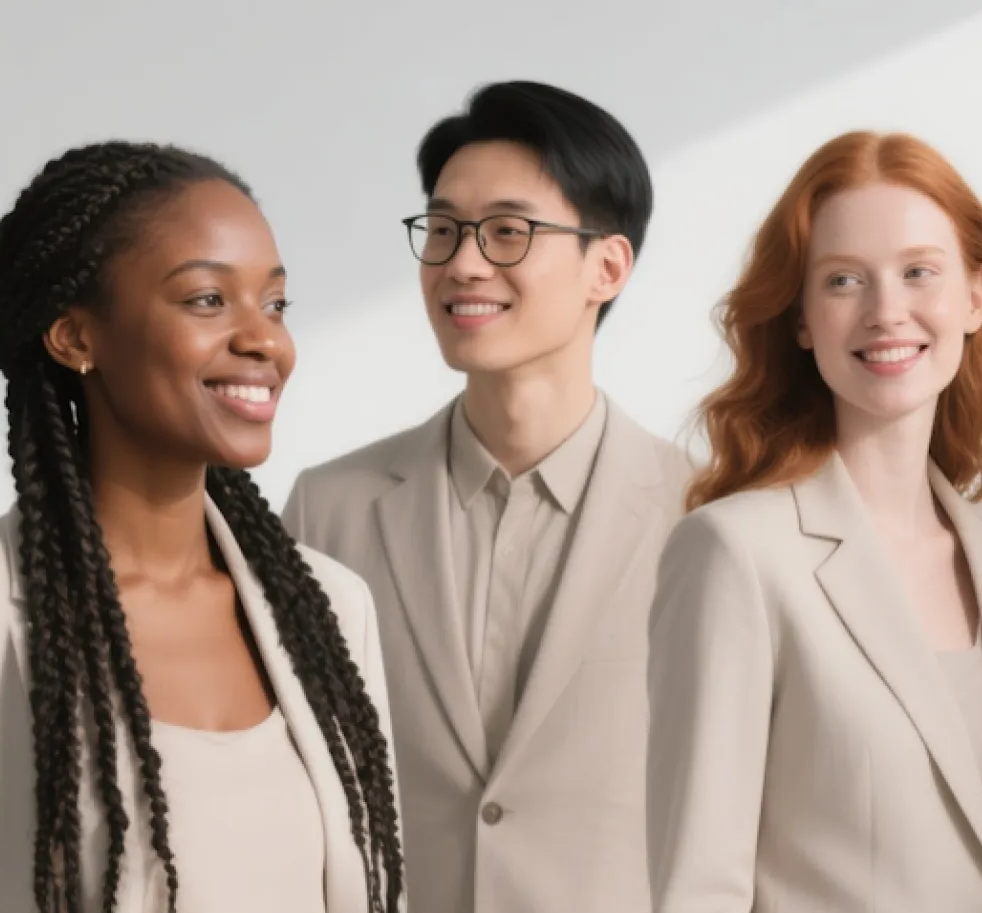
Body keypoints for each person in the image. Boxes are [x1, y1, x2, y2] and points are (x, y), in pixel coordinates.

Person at [0, 142, 404, 913]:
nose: (265, 340)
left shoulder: (333, 609)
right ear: (74, 338)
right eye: (207, 300)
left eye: (274, 304)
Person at [283, 81, 692, 913]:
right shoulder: (329, 511)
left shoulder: (707, 516)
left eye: (508, 231)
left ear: (607, 266)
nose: (463, 263)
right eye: (442, 230)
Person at [646, 130, 982, 913]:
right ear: (802, 316)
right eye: (844, 280)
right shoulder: (735, 554)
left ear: (974, 296)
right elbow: (698, 890)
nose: (887, 312)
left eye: (919, 272)